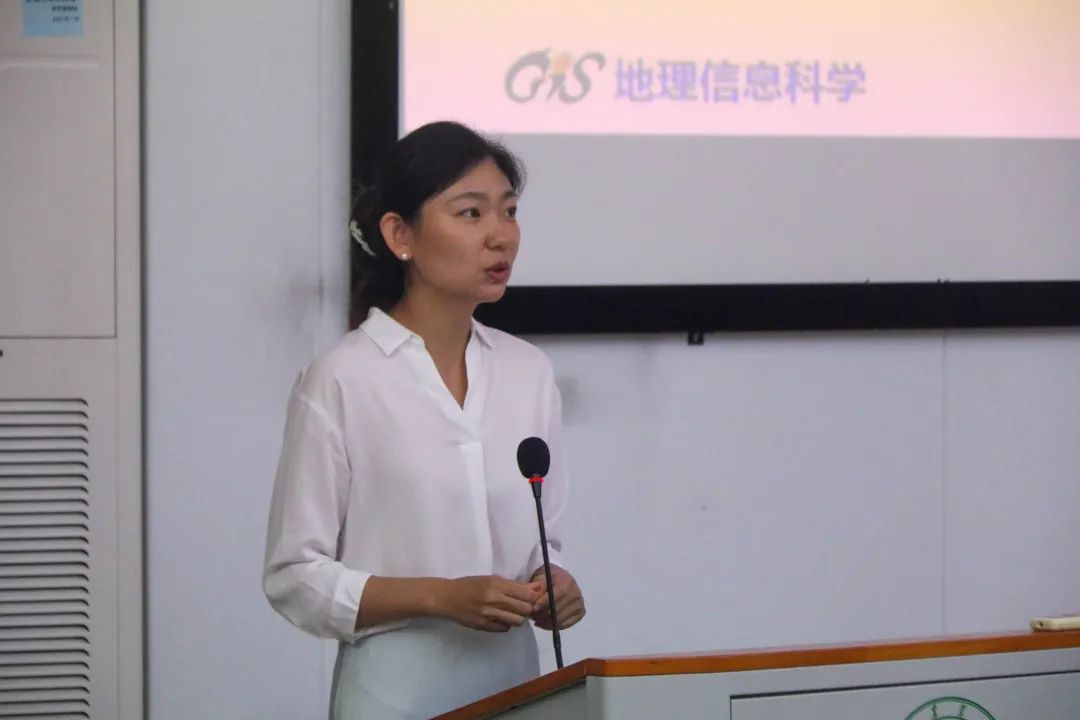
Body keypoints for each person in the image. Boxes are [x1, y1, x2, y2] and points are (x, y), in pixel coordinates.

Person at [262, 121, 586, 719]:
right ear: (400, 234)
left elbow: (544, 540)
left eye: (509, 212)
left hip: (518, 686)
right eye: (471, 213)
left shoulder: (528, 371)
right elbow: (295, 576)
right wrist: (440, 596)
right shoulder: (342, 379)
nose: (501, 236)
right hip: (394, 694)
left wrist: (553, 581)